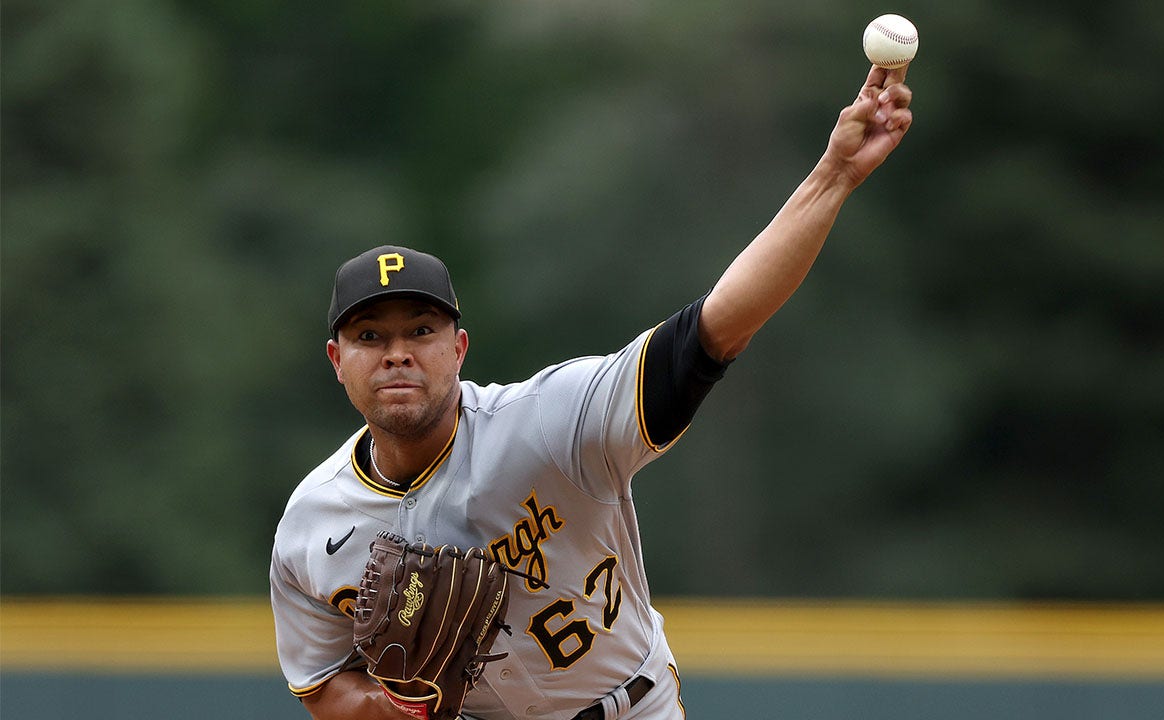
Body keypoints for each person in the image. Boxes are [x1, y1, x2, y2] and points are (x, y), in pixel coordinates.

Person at [270, 63, 914, 720]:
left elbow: (719, 326)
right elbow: (322, 686)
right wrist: (397, 705)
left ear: (459, 349)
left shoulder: (551, 422)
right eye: (370, 336)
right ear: (336, 360)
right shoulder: (310, 528)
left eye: (422, 329)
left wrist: (833, 176)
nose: (398, 353)